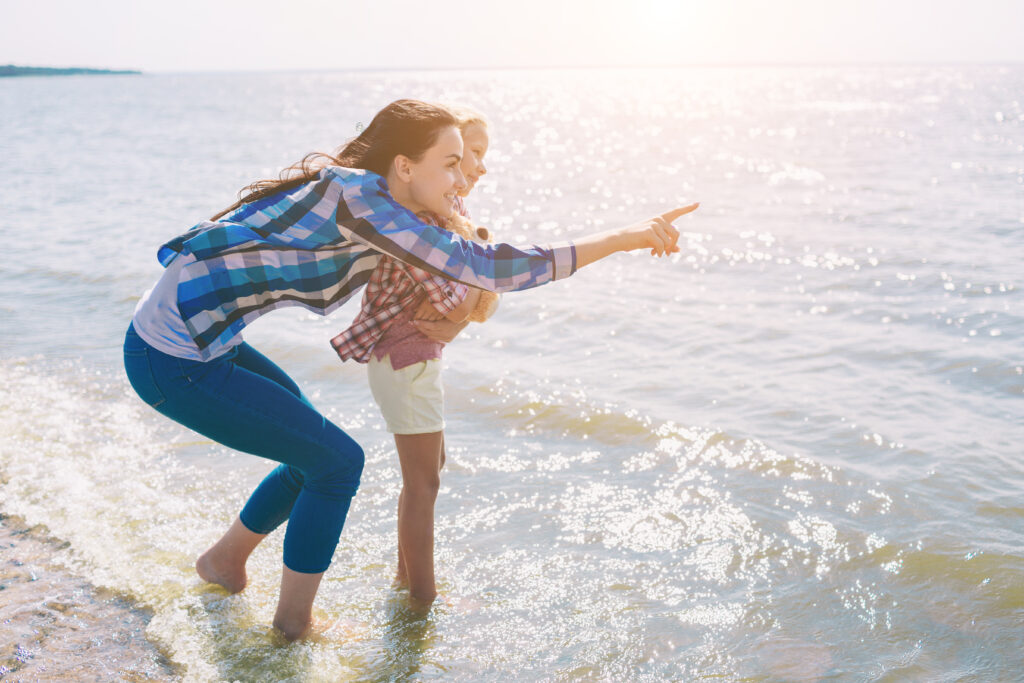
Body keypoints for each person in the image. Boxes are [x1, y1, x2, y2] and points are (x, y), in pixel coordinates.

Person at [122, 98, 697, 641]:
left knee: (309, 451)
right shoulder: (364, 202)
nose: (460, 178)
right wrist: (625, 237)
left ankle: (224, 561)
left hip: (201, 340)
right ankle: (293, 624)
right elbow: (485, 268)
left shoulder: (376, 198)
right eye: (451, 164)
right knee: (337, 461)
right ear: (403, 165)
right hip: (171, 357)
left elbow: (462, 251)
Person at [331, 105, 497, 610]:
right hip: (405, 359)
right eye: (470, 155)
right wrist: (476, 291)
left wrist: (474, 296)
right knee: (423, 481)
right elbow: (460, 299)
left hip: (415, 357)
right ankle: (422, 600)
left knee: (431, 469)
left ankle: (407, 581)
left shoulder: (453, 218)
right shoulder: (427, 222)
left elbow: (478, 301)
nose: (478, 168)